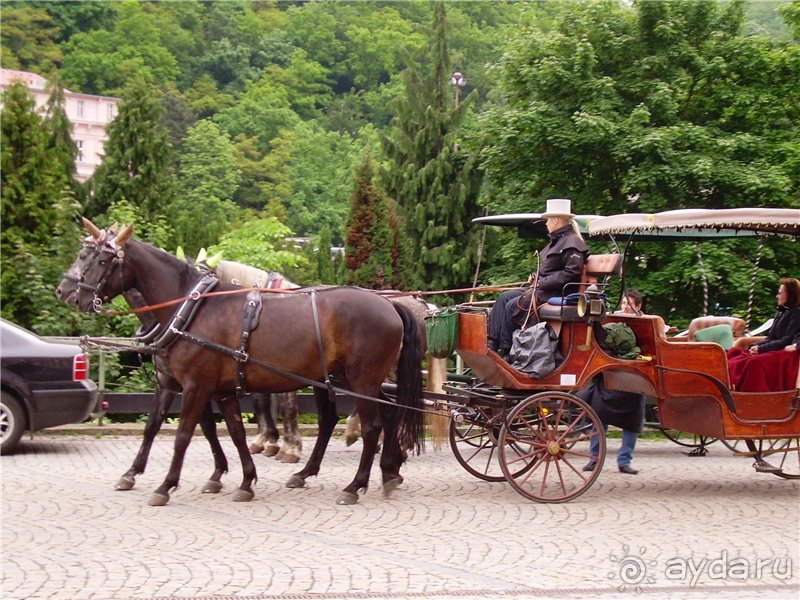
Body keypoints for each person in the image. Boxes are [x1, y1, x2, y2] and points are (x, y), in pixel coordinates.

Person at [487, 198, 588, 355]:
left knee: (512, 305)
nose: (546, 223)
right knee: (504, 298)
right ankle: (492, 342)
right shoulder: (557, 241)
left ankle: (507, 351)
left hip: (557, 292)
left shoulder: (572, 241)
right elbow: (551, 269)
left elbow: (572, 272)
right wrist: (535, 277)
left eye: (547, 220)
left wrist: (543, 282)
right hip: (543, 289)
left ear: (555, 220)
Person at [579, 289, 647, 475]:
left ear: (638, 306)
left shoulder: (645, 323)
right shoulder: (612, 321)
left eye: (629, 303)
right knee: (599, 417)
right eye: (624, 303)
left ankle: (624, 461)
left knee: (631, 422)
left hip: (633, 378)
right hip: (612, 374)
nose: (625, 306)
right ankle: (594, 459)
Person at [726, 278, 800, 392]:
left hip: (786, 351)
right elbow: (771, 338)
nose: (777, 296)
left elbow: (786, 340)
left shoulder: (796, 312)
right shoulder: (780, 312)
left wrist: (761, 349)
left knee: (754, 362)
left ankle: (753, 397)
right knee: (736, 356)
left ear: (790, 294)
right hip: (776, 347)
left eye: (780, 293)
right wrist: (755, 346)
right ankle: (729, 387)